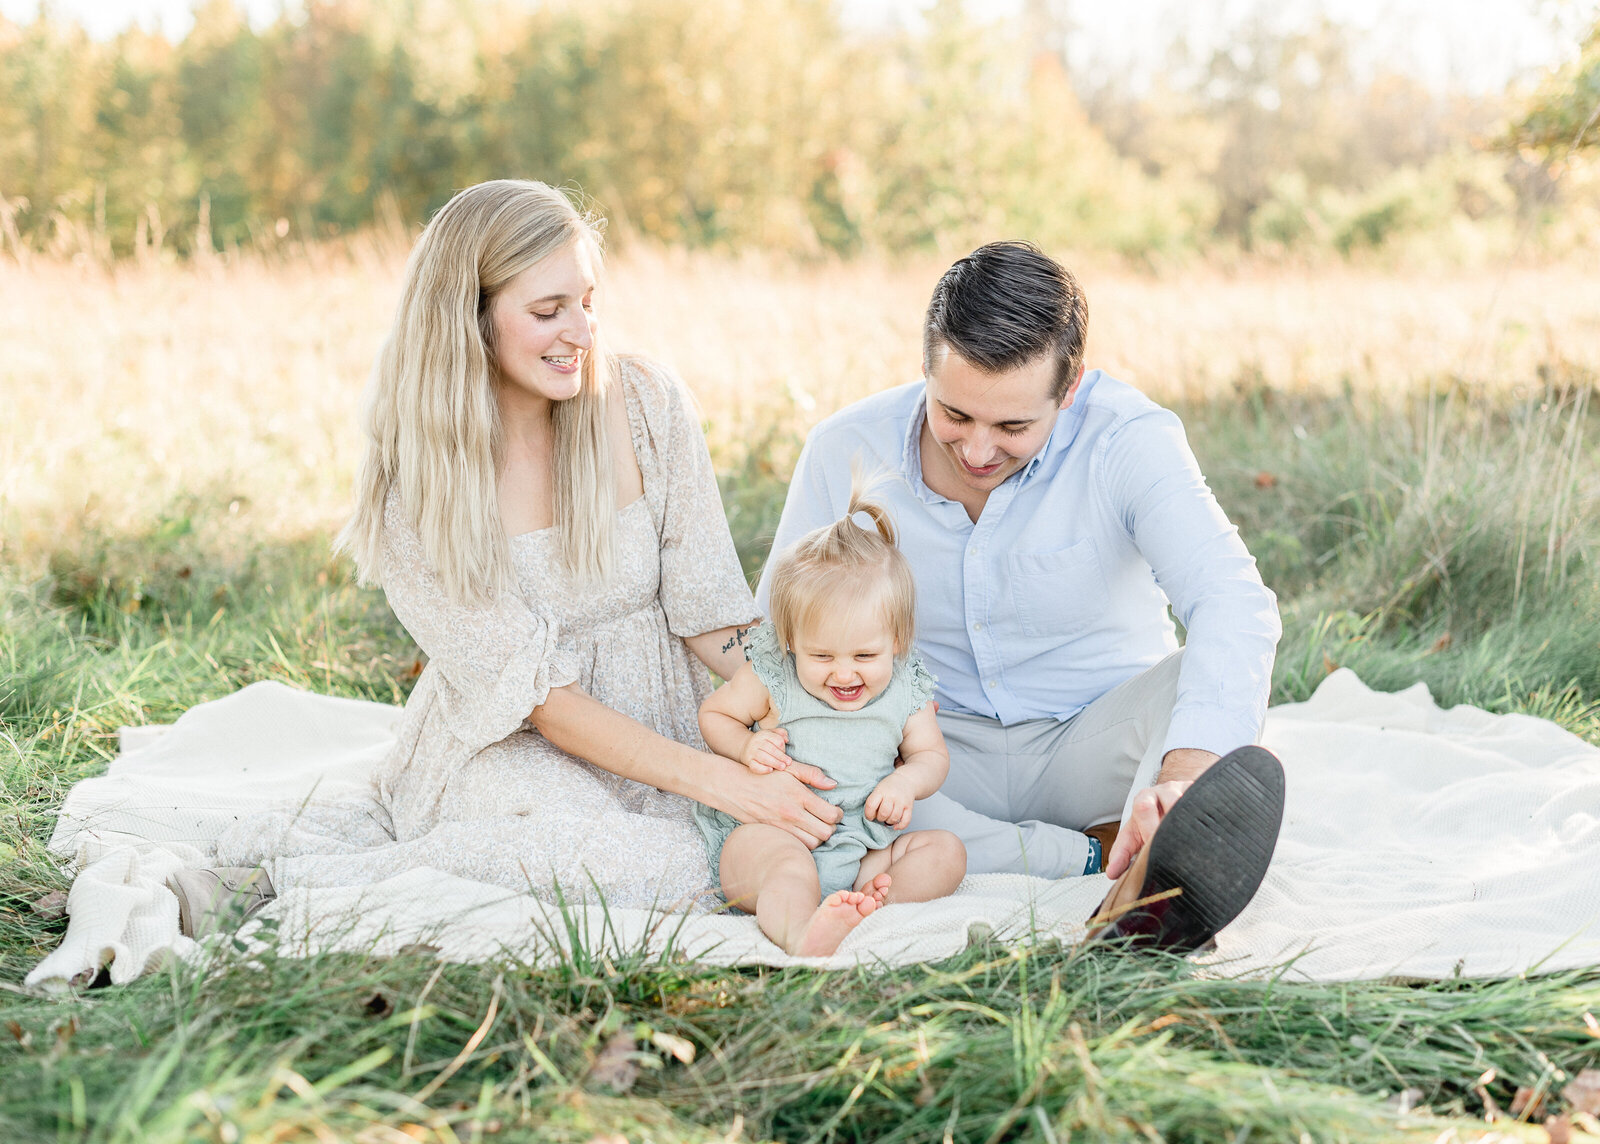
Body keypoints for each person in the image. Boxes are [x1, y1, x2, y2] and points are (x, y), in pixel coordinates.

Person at [177, 179, 848, 930]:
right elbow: (544, 705)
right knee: (651, 859)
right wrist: (731, 792)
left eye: (588, 302)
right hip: (512, 747)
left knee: (808, 828)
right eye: (548, 311)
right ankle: (283, 883)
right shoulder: (419, 487)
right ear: (471, 315)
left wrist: (807, 704)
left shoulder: (646, 405)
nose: (583, 333)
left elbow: (708, 615)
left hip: (674, 719)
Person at [757, 241, 1286, 950]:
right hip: (926, 758)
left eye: (1012, 427)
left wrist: (1186, 772)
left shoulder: (1128, 439)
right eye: (954, 415)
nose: (977, 451)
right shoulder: (843, 448)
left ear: (1070, 392)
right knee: (838, 742)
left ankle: (1146, 878)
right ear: (926, 370)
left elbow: (1233, 600)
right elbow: (774, 635)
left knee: (1203, 683)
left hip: (1091, 740)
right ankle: (1090, 855)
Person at [694, 483, 967, 955]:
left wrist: (906, 784)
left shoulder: (905, 688)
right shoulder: (773, 678)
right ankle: (803, 934)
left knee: (946, 852)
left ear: (898, 641)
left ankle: (873, 904)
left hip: (864, 844)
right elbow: (715, 713)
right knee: (784, 868)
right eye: (821, 655)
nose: (844, 672)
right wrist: (743, 746)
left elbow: (930, 755)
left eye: (865, 654)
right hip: (772, 835)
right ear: (790, 642)